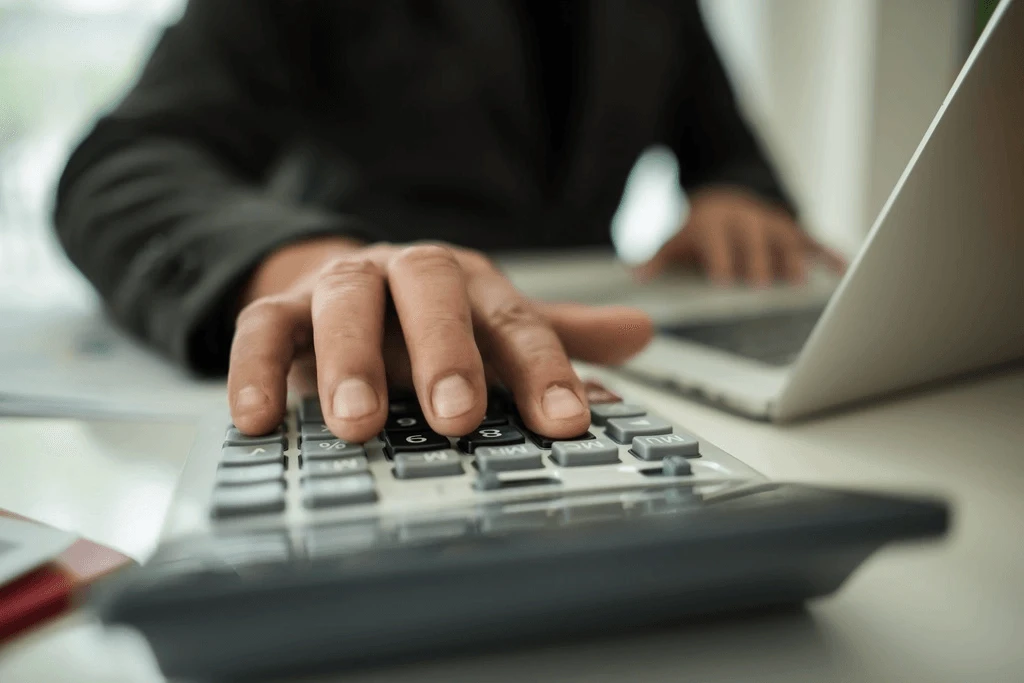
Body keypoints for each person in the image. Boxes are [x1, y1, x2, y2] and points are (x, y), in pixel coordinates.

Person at [54, 0, 843, 443]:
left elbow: (728, 151)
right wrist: (308, 264)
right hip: (369, 369)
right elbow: (119, 164)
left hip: (603, 361)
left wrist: (736, 195)